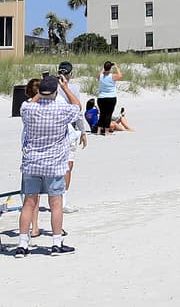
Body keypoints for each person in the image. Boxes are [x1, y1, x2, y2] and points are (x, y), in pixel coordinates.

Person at [15, 74, 82, 256]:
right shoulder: (61, 110)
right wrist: (65, 88)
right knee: (56, 203)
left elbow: (28, 103)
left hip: (32, 164)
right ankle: (56, 242)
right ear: (54, 91)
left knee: (29, 203)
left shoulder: (28, 109)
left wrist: (40, 94)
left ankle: (22, 244)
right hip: (54, 164)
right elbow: (77, 106)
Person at [56, 61, 89, 212]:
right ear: (70, 73)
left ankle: (57, 199)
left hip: (54, 129)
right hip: (69, 130)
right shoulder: (73, 88)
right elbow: (78, 112)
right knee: (68, 165)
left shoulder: (51, 86)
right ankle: (62, 201)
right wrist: (83, 131)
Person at [96, 61, 122, 136]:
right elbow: (120, 75)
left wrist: (104, 68)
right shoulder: (112, 76)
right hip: (111, 97)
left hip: (101, 98)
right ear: (110, 68)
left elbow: (99, 74)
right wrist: (116, 67)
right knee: (108, 114)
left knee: (102, 114)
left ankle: (98, 130)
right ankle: (106, 131)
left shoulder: (100, 76)